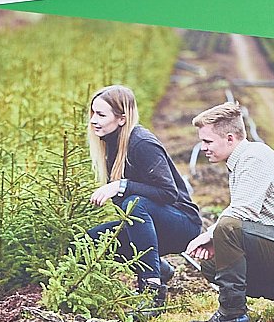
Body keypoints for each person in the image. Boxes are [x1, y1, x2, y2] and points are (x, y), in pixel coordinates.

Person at [185, 101, 274, 322]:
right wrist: (218, 242)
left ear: (230, 138)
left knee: (227, 228)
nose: (203, 148)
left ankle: (232, 314)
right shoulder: (240, 161)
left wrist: (208, 235)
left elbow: (243, 212)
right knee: (212, 265)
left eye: (208, 141)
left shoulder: (255, 158)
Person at [86, 84, 202, 303]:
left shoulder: (142, 144)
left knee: (134, 204)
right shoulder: (111, 143)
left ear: (122, 118)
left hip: (182, 224)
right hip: (151, 222)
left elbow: (168, 193)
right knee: (91, 240)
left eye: (101, 115)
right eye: (93, 113)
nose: (93, 120)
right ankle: (161, 269)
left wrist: (121, 185)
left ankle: (152, 288)